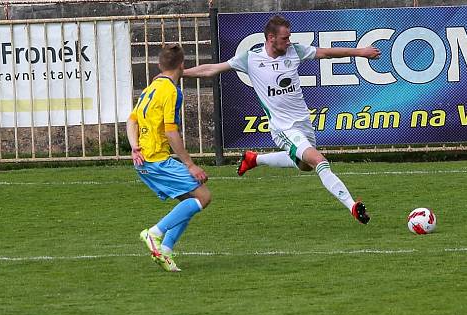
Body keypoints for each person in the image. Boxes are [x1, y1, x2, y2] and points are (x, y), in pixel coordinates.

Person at [183, 15, 380, 224]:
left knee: (305, 166)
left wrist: (360, 52)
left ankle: (254, 159)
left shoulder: (294, 51)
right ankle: (352, 205)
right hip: (283, 128)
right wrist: (180, 73)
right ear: (270, 38)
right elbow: (211, 69)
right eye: (285, 38)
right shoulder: (250, 58)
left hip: (303, 122)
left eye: (289, 37)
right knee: (319, 161)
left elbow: (326, 53)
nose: (289, 42)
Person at [127, 44, 211, 272]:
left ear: (159, 65)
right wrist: (190, 164)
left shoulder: (150, 88)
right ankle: (154, 233)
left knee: (189, 202)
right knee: (203, 196)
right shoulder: (172, 92)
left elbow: (131, 120)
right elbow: (171, 132)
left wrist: (134, 146)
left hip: (143, 159)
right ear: (182, 65)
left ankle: (165, 250)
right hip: (157, 160)